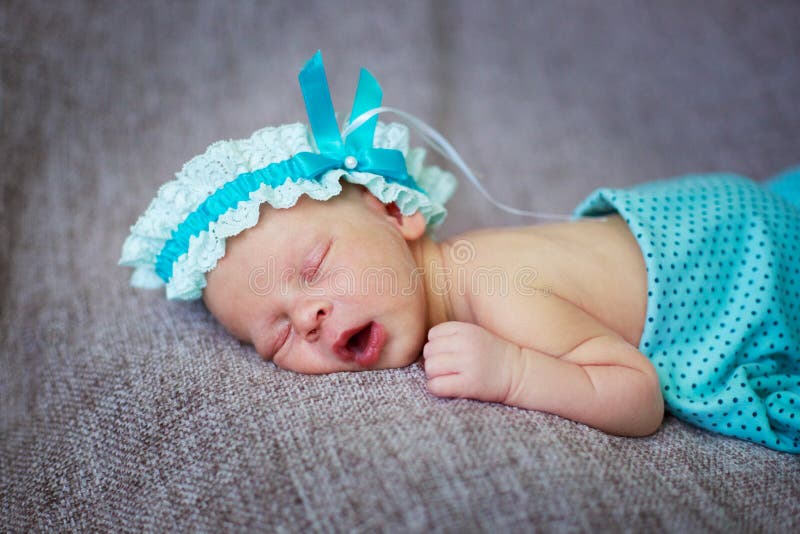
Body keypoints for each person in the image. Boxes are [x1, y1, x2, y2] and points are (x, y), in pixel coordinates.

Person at [120, 52, 800, 453]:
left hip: (743, 263)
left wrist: (513, 374)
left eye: (312, 269)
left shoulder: (494, 286)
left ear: (396, 214)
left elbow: (637, 394)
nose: (308, 318)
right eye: (275, 336)